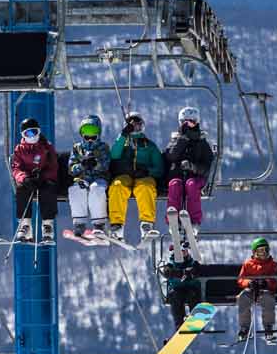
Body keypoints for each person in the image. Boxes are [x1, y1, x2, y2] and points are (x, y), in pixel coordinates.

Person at [162, 107, 214, 250]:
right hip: (177, 176)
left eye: (191, 122)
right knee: (174, 185)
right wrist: (182, 139)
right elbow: (170, 156)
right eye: (185, 122)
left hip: (195, 178)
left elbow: (207, 165)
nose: (188, 125)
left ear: (197, 123)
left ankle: (194, 222)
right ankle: (173, 220)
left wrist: (192, 167)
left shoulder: (202, 142)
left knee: (191, 185)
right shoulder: (175, 140)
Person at [107, 112, 163, 243]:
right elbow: (114, 155)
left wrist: (147, 171)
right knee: (117, 186)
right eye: (132, 126)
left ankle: (146, 224)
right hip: (125, 175)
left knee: (145, 187)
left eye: (138, 126)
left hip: (143, 176)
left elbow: (159, 168)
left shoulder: (149, 146)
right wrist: (123, 136)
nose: (135, 129)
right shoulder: (123, 144)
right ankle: (117, 225)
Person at [8, 117, 58, 244]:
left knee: (48, 190)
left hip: (43, 180)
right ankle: (25, 225)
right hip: (28, 181)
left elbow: (53, 166)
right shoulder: (19, 150)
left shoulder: (46, 147)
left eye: (34, 132)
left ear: (39, 132)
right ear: (23, 135)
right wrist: (25, 179)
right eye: (27, 133)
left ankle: (48, 226)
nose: (31, 136)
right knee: (21, 190)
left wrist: (43, 177)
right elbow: (16, 168)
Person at [65, 115, 112, 239]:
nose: (90, 139)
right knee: (76, 189)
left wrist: (96, 164)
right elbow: (71, 168)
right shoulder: (77, 148)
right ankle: (79, 222)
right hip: (83, 178)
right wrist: (81, 166)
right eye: (87, 134)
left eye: (93, 134)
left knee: (96, 189)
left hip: (99, 178)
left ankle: (99, 223)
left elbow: (106, 165)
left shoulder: (103, 147)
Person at [234, 238, 277, 343]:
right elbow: (241, 279)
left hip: (265, 291)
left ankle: (268, 328)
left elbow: (276, 280)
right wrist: (249, 283)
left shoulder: (272, 264)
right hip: (251, 290)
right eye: (260, 251)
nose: (263, 253)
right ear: (254, 252)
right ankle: (244, 328)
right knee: (243, 298)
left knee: (268, 299)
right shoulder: (248, 264)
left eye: (266, 250)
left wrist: (267, 283)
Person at [160, 249, 204, 330]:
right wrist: (180, 273)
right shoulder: (170, 264)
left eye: (184, 251)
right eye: (180, 251)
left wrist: (191, 273)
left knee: (193, 295)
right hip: (177, 290)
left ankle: (196, 321)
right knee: (176, 298)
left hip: (191, 289)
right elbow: (167, 272)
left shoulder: (193, 263)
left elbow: (198, 270)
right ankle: (179, 324)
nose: (182, 253)